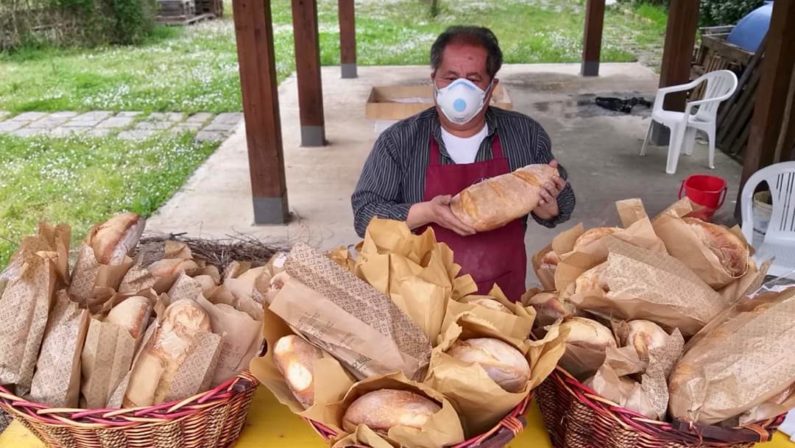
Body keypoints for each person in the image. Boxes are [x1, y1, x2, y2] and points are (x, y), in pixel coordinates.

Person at [351, 25, 575, 300]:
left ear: (492, 86)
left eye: (473, 78)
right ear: (434, 80)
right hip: (422, 299)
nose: (461, 88)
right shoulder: (399, 141)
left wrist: (548, 208)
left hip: (501, 298)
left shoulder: (524, 134)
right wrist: (428, 213)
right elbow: (365, 217)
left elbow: (564, 202)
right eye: (450, 77)